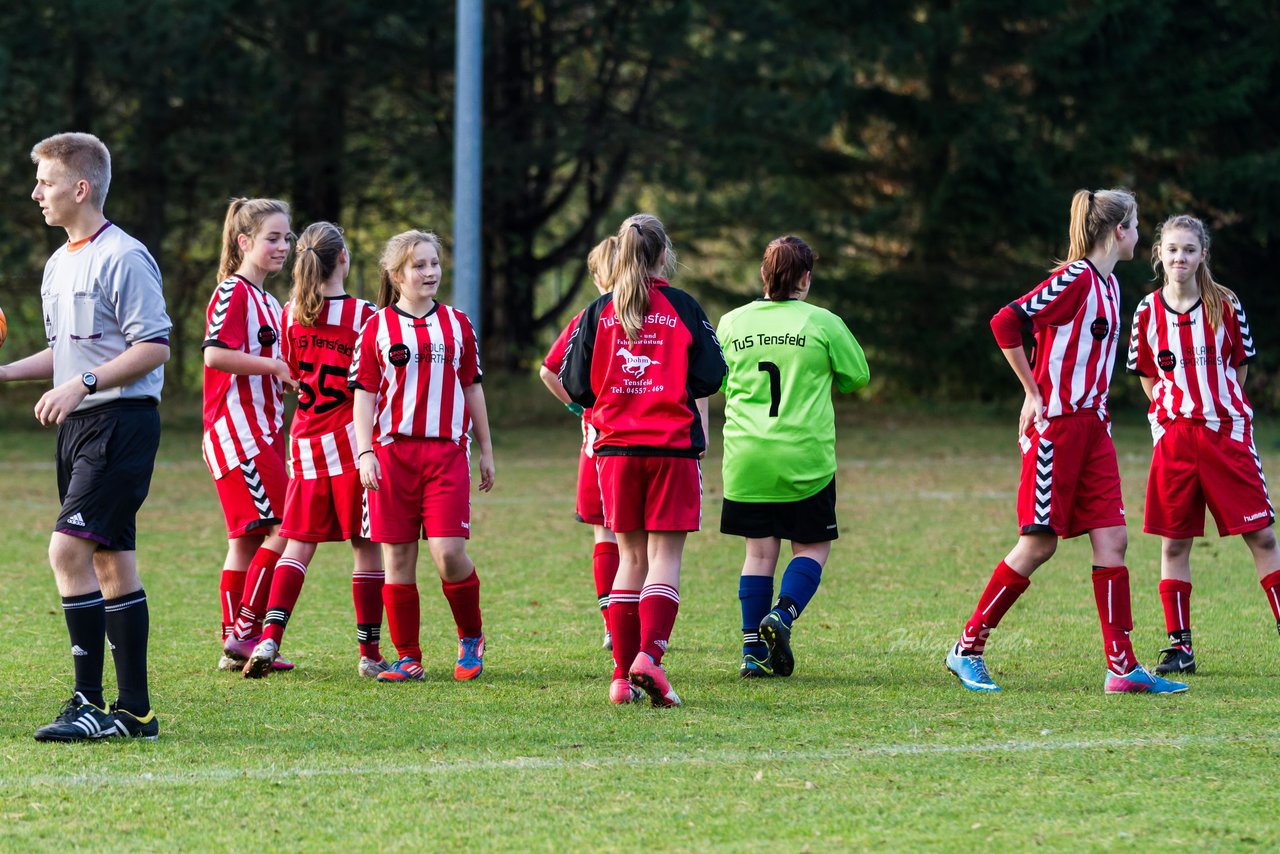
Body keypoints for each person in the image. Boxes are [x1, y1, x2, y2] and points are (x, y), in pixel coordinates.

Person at [944, 188, 1188, 695]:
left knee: (1113, 539)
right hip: (1056, 431)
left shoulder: (1112, 287)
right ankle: (968, 647)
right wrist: (1032, 392)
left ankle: (1121, 667)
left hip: (1095, 429)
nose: (1141, 235)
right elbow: (1005, 322)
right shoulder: (1076, 278)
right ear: (1119, 230)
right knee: (1039, 544)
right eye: (1137, 225)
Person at [0, 132, 170, 740]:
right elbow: (65, 351)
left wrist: (85, 383)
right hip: (80, 428)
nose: (35, 193)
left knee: (66, 551)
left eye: (44, 182)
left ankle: (88, 702)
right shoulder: (58, 262)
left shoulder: (124, 256)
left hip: (120, 423)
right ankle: (136, 713)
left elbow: (153, 345)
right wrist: (7, 373)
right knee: (110, 563)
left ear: (80, 187)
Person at [560, 213, 727, 707]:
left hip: (614, 451)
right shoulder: (682, 306)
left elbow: (575, 384)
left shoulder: (598, 311)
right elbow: (712, 373)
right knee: (664, 560)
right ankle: (649, 658)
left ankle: (620, 677)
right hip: (671, 448)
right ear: (662, 256)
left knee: (629, 559)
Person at [1127, 214, 1278, 676]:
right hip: (1175, 439)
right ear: (1159, 254)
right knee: (1174, 543)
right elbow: (1148, 377)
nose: (1180, 257)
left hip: (1225, 433)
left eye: (1189, 250)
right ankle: (1180, 646)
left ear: (1202, 255)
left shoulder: (1225, 305)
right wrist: (1174, 415)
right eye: (1172, 249)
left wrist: (1215, 405)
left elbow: (1239, 367)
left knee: (1262, 535)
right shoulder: (1146, 312)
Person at [717, 236, 869, 679]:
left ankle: (752, 654)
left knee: (759, 553)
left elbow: (719, 381)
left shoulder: (731, 323)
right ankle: (782, 615)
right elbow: (857, 377)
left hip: (747, 458)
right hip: (805, 460)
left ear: (764, 276)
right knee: (813, 546)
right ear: (806, 277)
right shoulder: (822, 322)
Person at [242, 222, 388, 678]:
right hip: (350, 443)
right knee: (366, 547)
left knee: (298, 545)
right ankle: (368, 655)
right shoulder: (366, 315)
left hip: (304, 442)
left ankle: (268, 637)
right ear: (343, 259)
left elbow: (287, 376)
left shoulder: (289, 314)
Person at [350, 230, 495, 683]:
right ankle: (408, 657)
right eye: (419, 265)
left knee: (449, 553)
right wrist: (365, 452)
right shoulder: (375, 328)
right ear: (396, 275)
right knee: (397, 561)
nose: (429, 272)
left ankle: (471, 637)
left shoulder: (458, 324)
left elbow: (472, 386)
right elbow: (364, 397)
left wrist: (486, 449)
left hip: (446, 454)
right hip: (392, 456)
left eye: (434, 263)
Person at [202, 197, 299, 672]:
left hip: (261, 434)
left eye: (287, 238)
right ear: (244, 242)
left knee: (245, 539)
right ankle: (247, 632)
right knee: (286, 526)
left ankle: (231, 640)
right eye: (272, 238)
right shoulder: (232, 293)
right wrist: (273, 364)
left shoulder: (269, 301)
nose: (283, 246)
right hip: (237, 433)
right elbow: (214, 355)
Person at [539, 236, 620, 652]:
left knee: (605, 533)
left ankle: (612, 621)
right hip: (631, 439)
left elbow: (548, 371)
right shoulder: (636, 313)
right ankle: (631, 615)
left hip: (598, 441)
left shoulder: (587, 316)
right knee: (638, 537)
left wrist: (578, 407)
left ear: (595, 274)